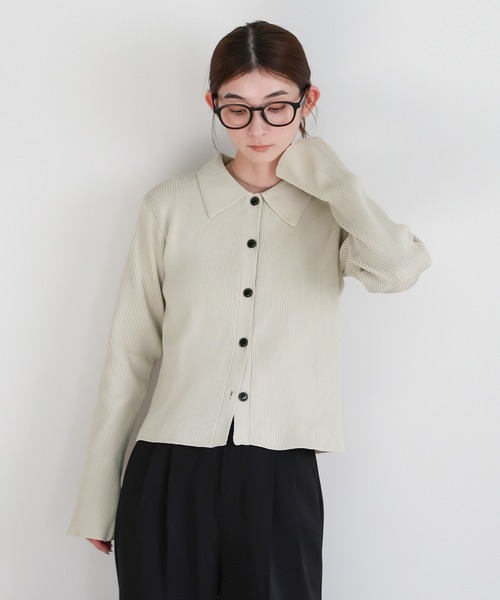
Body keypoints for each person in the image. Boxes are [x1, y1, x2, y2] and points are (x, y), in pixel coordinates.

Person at [67, 20, 431, 599]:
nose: (257, 128)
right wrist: (97, 495)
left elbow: (401, 269)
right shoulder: (169, 206)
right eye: (236, 109)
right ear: (213, 105)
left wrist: (329, 174)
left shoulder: (331, 212)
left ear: (308, 100)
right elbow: (130, 354)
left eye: (277, 106)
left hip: (280, 473)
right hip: (169, 471)